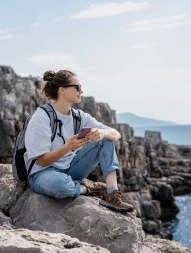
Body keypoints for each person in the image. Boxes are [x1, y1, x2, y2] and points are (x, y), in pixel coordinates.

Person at [24, 70, 133, 212]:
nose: (81, 91)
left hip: (70, 169)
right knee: (60, 185)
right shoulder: (41, 117)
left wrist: (102, 132)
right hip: (42, 174)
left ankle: (112, 193)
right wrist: (68, 147)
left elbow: (115, 134)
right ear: (62, 90)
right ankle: (87, 188)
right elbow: (42, 161)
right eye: (77, 87)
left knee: (105, 139)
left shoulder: (79, 116)